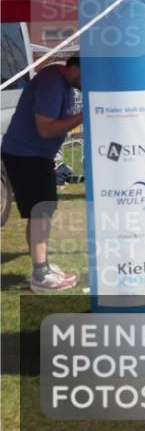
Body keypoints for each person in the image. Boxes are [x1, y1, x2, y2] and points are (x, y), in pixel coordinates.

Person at [0, 56, 82, 292]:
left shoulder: (61, 83)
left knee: (41, 212)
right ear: (74, 67)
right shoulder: (52, 82)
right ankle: (40, 274)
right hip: (27, 155)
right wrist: (85, 116)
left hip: (34, 155)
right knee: (41, 212)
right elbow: (45, 129)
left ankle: (42, 266)